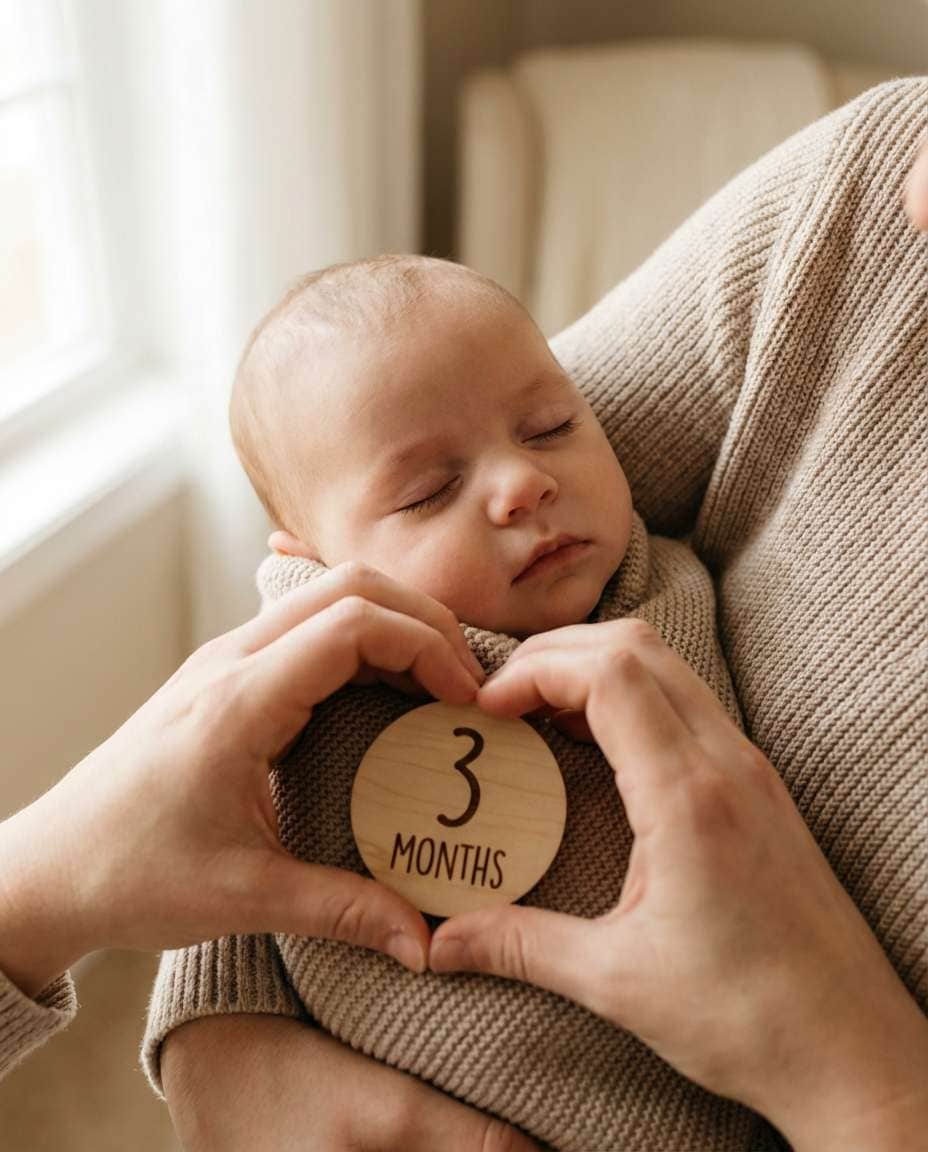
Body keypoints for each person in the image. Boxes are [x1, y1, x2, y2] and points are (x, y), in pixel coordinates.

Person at [0, 76, 924, 1152]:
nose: (524, 484)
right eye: (428, 493)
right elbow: (226, 777)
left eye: (548, 429)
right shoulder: (863, 202)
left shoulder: (648, 575)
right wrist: (218, 1014)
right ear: (311, 557)